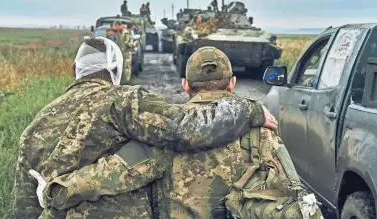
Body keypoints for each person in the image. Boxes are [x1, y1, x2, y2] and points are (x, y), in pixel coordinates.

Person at [30, 47, 321, 219]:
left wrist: (55, 191)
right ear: (232, 83)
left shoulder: (167, 137)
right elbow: (290, 189)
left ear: (185, 85)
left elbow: (112, 174)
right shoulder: (263, 129)